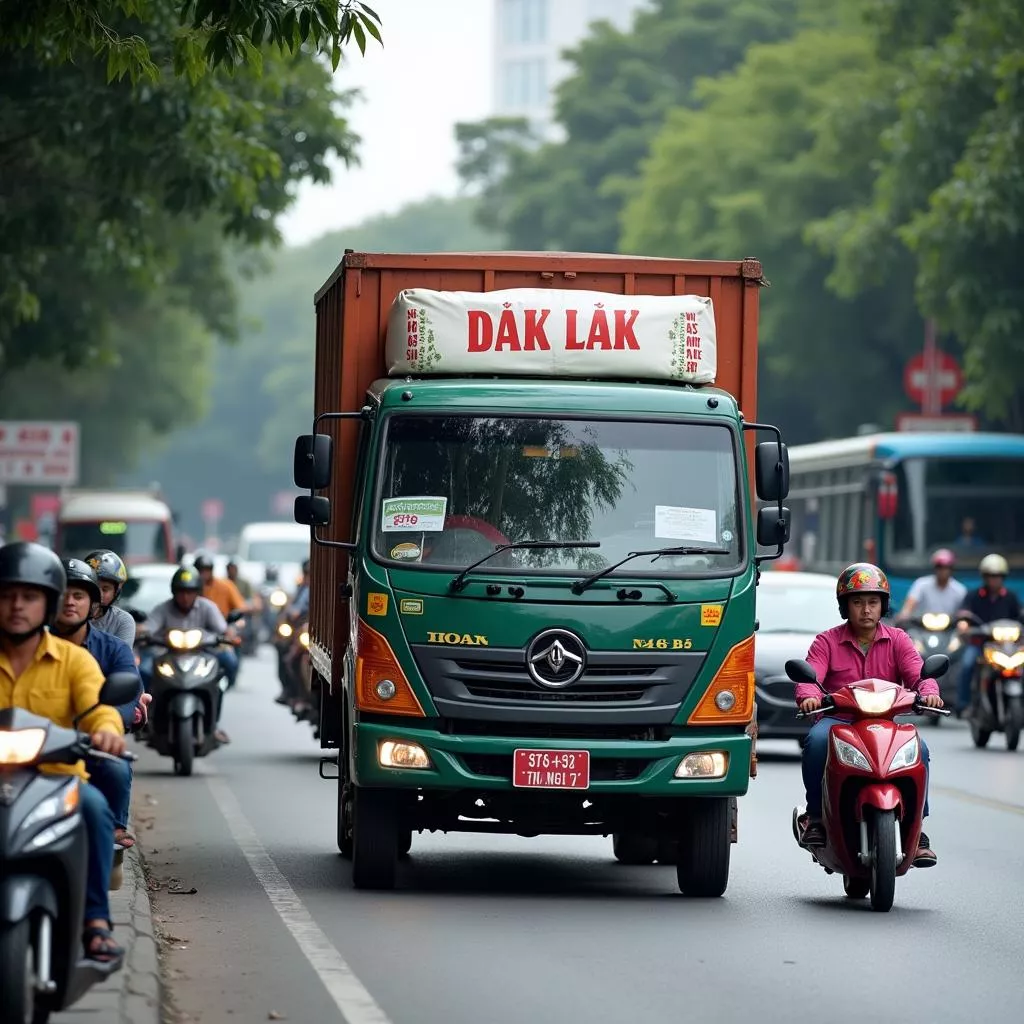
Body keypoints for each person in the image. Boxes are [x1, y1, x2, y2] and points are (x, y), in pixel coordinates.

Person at [0, 541, 127, 962]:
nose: (17, 606)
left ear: (49, 603)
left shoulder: (75, 661)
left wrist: (108, 732)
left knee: (93, 808)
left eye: (30, 596)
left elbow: (99, 710)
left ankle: (95, 921)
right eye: (7, 595)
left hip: (56, 779)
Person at [796, 562, 942, 866]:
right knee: (816, 742)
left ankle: (919, 831)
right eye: (858, 602)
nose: (866, 610)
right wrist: (809, 698)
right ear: (845, 606)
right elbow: (809, 679)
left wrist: (930, 691)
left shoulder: (899, 640)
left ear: (883, 606)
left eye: (873, 602)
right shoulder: (826, 642)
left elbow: (919, 674)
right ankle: (816, 818)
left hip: (884, 724)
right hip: (839, 723)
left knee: (921, 750)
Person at [52, 558, 151, 848]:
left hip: (85, 745)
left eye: (79, 595)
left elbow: (114, 699)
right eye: (62, 595)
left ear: (94, 605)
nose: (69, 603)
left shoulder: (103, 652)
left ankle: (114, 830)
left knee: (105, 793)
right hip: (27, 752)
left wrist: (107, 729)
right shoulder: (29, 647)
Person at [141, 565, 235, 743]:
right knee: (143, 671)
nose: (185, 597)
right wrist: (141, 632)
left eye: (190, 592)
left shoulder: (208, 607)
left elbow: (223, 630)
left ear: (198, 592)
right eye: (181, 592)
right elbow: (148, 627)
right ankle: (145, 718)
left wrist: (228, 635)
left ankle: (213, 724)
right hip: (168, 654)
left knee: (227, 665)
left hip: (202, 653)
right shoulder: (163, 608)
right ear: (174, 592)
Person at [955, 553, 1021, 716]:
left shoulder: (1011, 597)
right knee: (967, 664)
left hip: (1007, 647)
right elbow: (964, 615)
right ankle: (964, 705)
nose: (994, 580)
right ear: (984, 577)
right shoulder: (974, 596)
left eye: (998, 576)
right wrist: (964, 625)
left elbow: (1020, 615)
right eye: (991, 576)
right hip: (980, 645)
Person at [896, 548, 968, 621]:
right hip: (920, 629)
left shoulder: (960, 589)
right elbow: (910, 604)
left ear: (951, 569)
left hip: (951, 630)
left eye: (946, 567)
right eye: (939, 567)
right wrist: (904, 614)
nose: (943, 570)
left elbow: (964, 611)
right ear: (934, 568)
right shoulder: (921, 584)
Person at [84, 549, 136, 647]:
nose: (98, 594)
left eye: (105, 589)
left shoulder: (122, 621)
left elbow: (121, 658)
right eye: (93, 586)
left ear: (116, 593)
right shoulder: (70, 613)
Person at [194, 553, 247, 620]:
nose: (204, 574)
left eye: (207, 570)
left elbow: (241, 607)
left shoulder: (225, 585)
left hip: (221, 624)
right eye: (201, 571)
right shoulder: (191, 588)